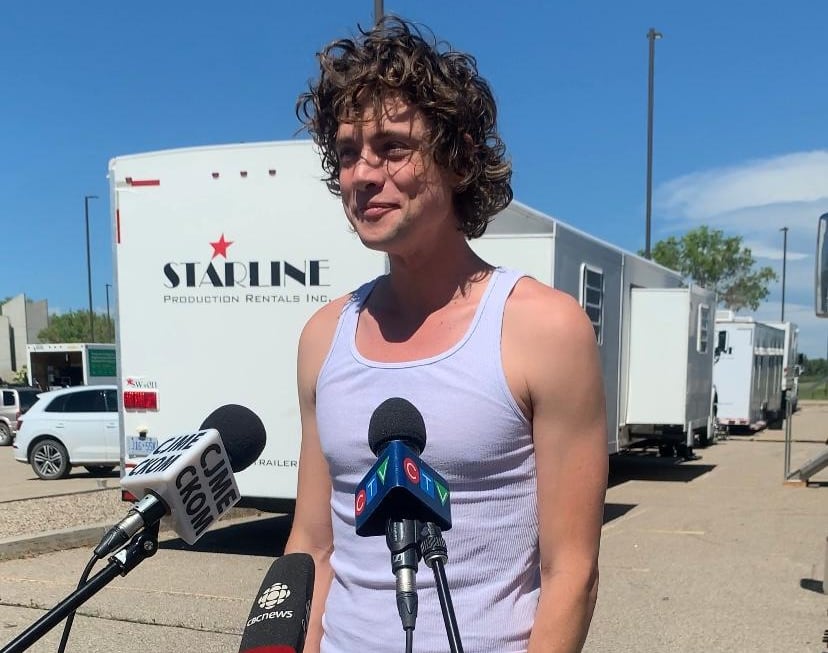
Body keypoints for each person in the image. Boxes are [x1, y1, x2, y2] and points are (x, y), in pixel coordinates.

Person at [284, 16, 608, 653]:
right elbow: (312, 546)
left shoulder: (543, 328)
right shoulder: (324, 337)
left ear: (457, 158)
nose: (362, 174)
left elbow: (571, 572)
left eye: (392, 147)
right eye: (347, 153)